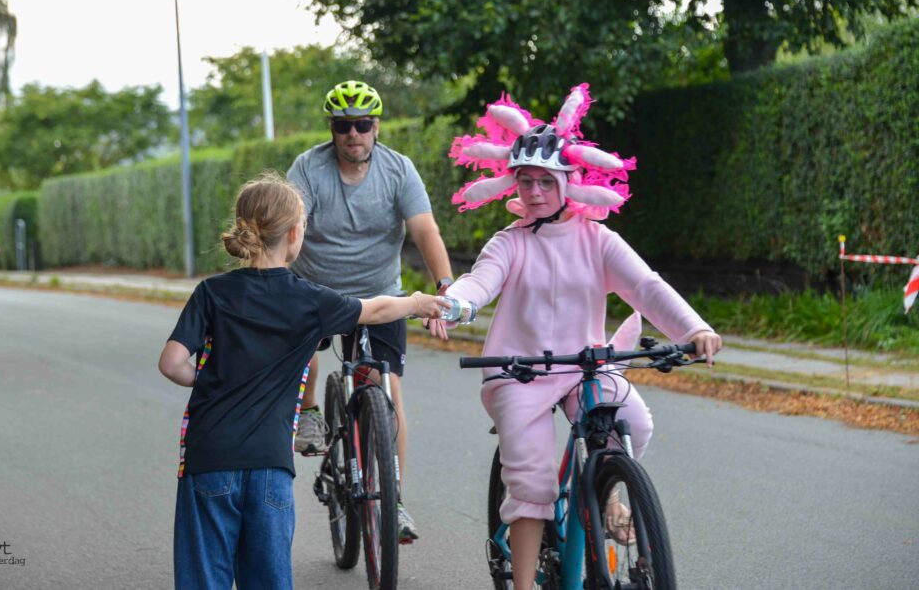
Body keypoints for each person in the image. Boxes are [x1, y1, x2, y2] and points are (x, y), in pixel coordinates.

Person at [427, 84, 723, 590]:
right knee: (533, 480)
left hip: (586, 365)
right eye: (525, 181)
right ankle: (523, 583)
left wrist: (693, 328)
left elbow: (646, 287)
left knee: (633, 423)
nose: (535, 192)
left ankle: (606, 493)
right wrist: (454, 303)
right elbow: (480, 283)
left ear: (570, 181)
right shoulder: (509, 243)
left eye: (547, 180)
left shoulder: (598, 239)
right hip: (518, 373)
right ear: (511, 183)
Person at [158, 172, 447, 590]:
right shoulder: (310, 299)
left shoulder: (211, 293)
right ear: (295, 233)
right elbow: (377, 310)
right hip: (270, 466)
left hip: (209, 460)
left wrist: (207, 379)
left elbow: (171, 363)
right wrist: (419, 302)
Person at [286, 79, 453, 541]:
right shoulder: (308, 168)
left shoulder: (398, 170)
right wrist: (277, 277)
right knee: (299, 342)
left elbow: (425, 230)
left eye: (362, 124)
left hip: (382, 294)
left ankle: (394, 499)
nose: (353, 134)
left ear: (376, 126)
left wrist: (446, 288)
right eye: (343, 126)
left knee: (388, 389)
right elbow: (290, 225)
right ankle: (312, 411)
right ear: (332, 129)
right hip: (319, 287)